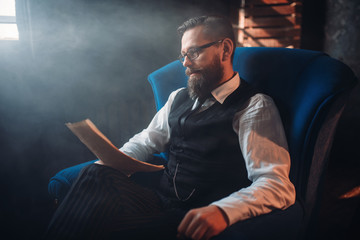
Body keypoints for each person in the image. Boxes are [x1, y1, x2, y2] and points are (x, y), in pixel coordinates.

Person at [45, 15, 295, 240]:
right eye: (183, 55)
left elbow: (275, 183)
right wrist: (112, 161)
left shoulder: (253, 106)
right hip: (159, 203)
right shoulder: (178, 97)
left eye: (194, 52)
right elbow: (146, 142)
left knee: (95, 223)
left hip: (195, 216)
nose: (185, 63)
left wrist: (222, 211)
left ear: (225, 49)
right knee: (96, 174)